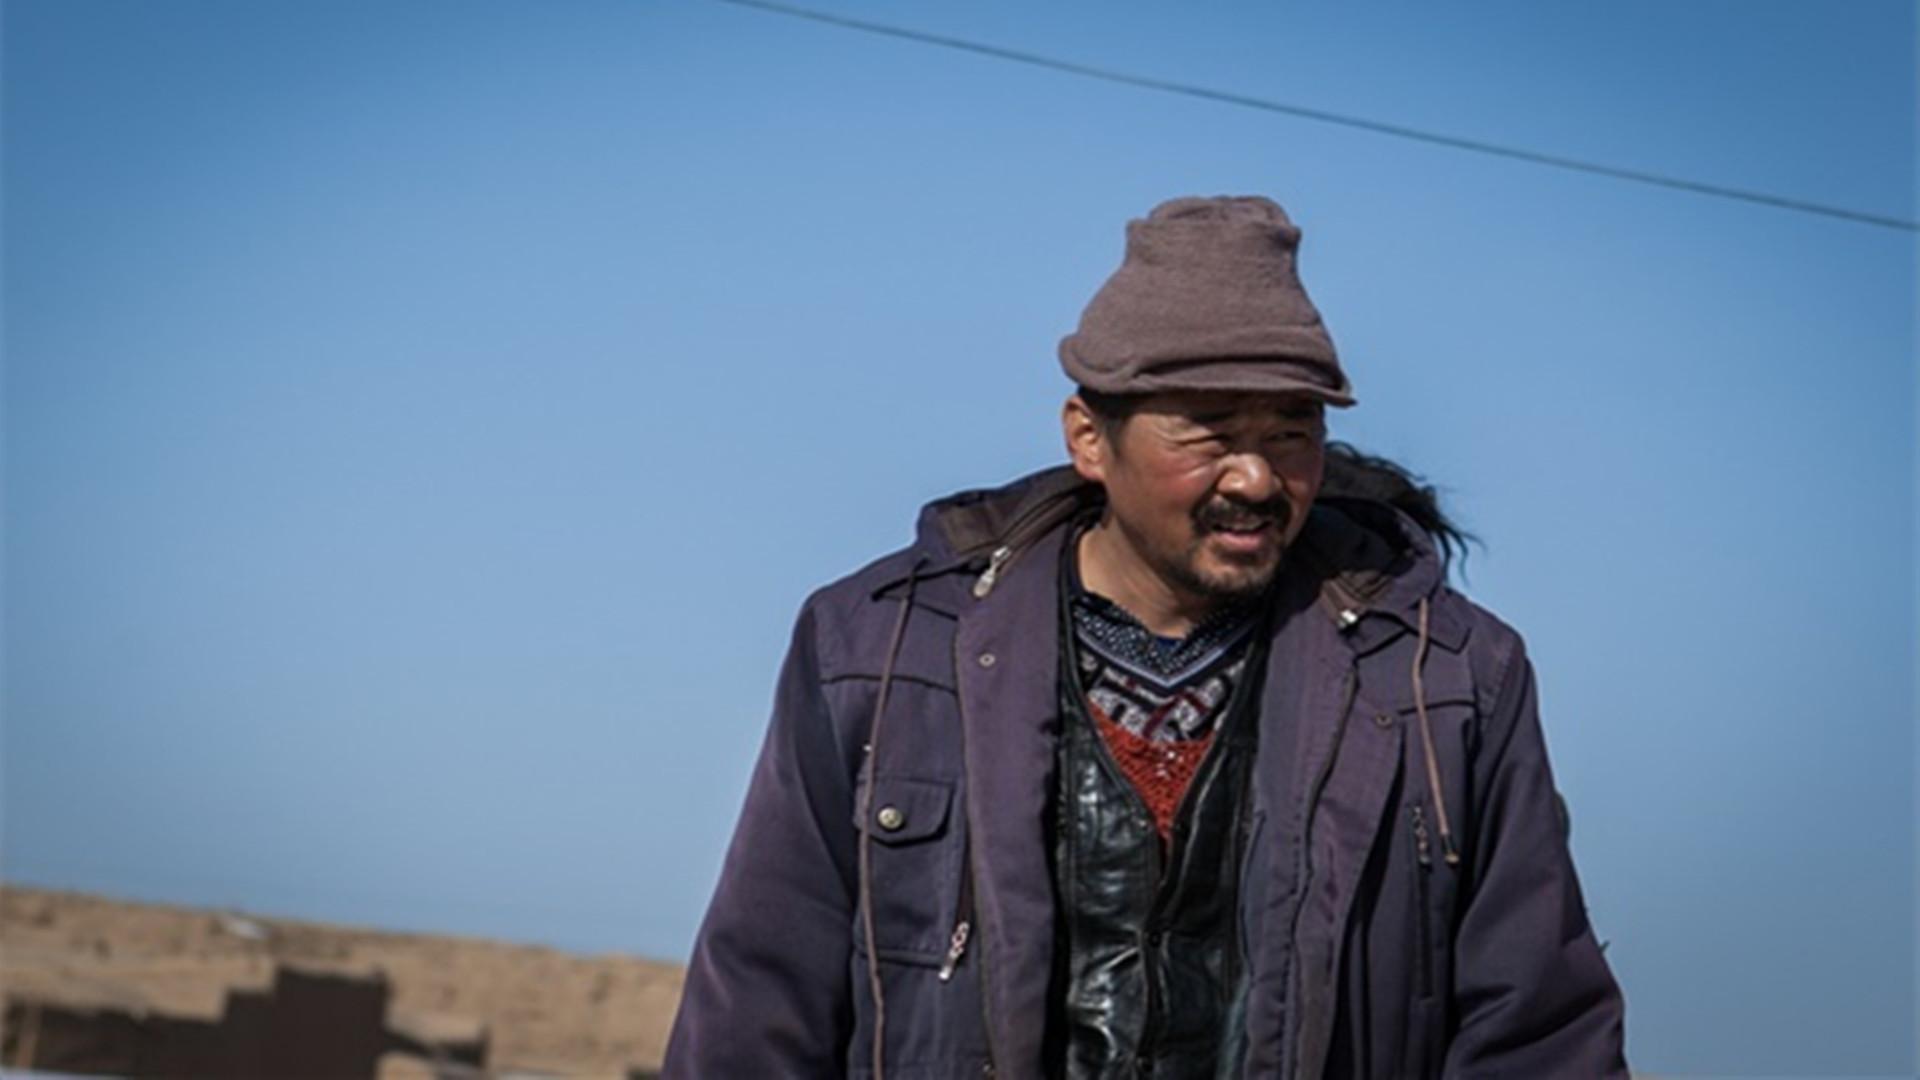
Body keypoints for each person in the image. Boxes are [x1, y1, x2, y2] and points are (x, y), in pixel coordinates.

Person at [663, 196, 1627, 1078]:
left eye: (1291, 433)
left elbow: (1539, 1035)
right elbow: (759, 1005)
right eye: (1207, 431)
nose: (1255, 478)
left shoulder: (1447, 680)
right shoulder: (877, 650)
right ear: (1089, 437)